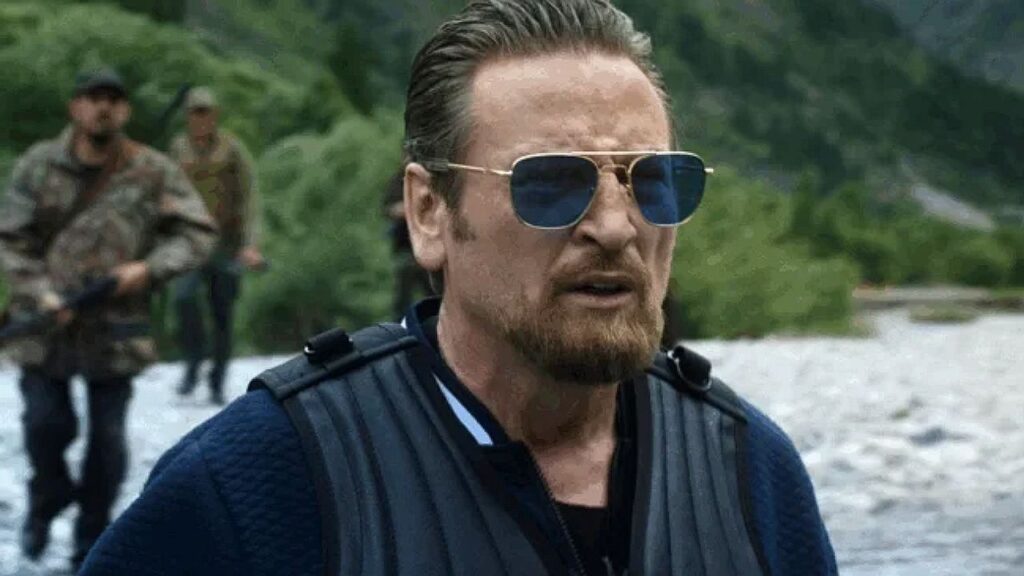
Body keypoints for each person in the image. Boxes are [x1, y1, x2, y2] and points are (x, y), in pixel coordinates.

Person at [82, 2, 837, 575]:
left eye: (655, 181)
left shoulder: (749, 470)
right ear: (429, 213)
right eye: (551, 184)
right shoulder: (264, 479)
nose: (616, 226)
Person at [0, 67, 217, 571]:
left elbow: (197, 233)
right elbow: (11, 238)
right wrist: (41, 293)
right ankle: (46, 497)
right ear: (75, 107)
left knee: (107, 442)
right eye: (93, 98)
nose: (103, 108)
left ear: (125, 110)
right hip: (45, 326)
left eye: (113, 100)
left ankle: (90, 544)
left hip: (116, 326)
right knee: (45, 426)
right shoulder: (38, 165)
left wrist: (147, 269)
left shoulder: (152, 170)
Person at [168, 86, 263, 405]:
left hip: (226, 243)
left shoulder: (232, 148)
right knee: (183, 299)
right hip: (190, 242)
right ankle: (193, 360)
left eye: (205, 112)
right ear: (187, 117)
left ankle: (217, 381)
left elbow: (249, 198)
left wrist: (251, 245)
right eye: (195, 113)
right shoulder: (178, 148)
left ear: (215, 115)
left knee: (223, 312)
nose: (201, 119)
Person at [384, 171, 433, 318]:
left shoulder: (429, 178)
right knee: (402, 297)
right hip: (406, 250)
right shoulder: (398, 181)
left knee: (432, 294)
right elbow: (389, 208)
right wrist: (410, 208)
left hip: (429, 249)